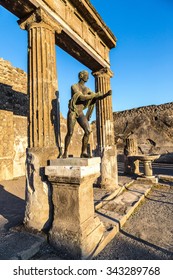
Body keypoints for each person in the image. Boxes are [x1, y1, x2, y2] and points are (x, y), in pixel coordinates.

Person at [62, 70, 112, 158]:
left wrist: (106, 95)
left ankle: (83, 152)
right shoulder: (74, 86)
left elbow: (97, 97)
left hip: (80, 113)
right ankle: (65, 151)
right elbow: (82, 97)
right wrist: (94, 95)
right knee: (70, 132)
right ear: (81, 76)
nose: (88, 77)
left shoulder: (87, 89)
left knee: (88, 131)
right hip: (73, 111)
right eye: (86, 75)